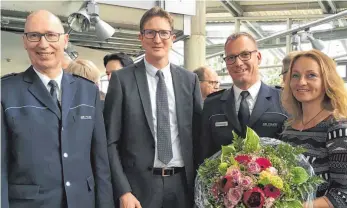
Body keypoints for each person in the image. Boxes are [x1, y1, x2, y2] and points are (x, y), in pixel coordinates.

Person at [1, 10, 114, 208]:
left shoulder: (87, 91)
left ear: (65, 40)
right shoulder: (6, 92)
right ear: (25, 41)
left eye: (51, 35)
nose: (43, 44)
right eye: (34, 36)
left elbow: (100, 162)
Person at [103, 6, 202, 208]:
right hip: (138, 189)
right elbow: (110, 141)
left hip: (182, 186)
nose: (157, 39)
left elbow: (199, 135)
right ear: (141, 37)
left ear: (173, 38)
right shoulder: (122, 80)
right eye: (150, 33)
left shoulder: (189, 80)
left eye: (164, 33)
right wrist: (123, 190)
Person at [196, 32, 287, 166]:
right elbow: (204, 156)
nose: (238, 63)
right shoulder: (212, 105)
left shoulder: (283, 100)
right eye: (231, 57)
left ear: (259, 57)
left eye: (245, 55)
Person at [279, 49, 347, 208]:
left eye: (311, 75)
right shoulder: (288, 127)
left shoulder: (338, 128)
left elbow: (344, 194)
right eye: (295, 75)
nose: (301, 82)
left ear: (326, 81)